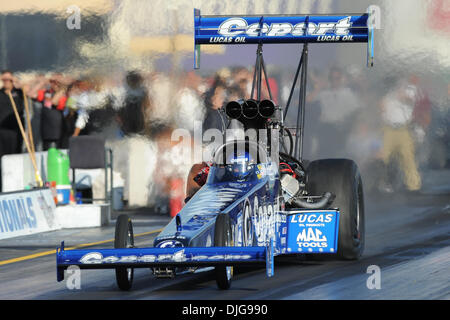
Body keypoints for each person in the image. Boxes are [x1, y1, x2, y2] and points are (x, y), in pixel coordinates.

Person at [379, 77, 422, 192]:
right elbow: (381, 109)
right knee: (384, 157)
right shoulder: (387, 96)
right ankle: (383, 183)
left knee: (408, 158)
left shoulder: (408, 93)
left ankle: (414, 186)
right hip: (388, 129)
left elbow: (411, 100)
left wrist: (402, 95)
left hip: (403, 129)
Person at [306, 66, 361, 158]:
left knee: (338, 156)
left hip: (341, 130)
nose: (334, 81)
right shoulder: (324, 93)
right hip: (325, 129)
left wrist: (352, 127)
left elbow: (357, 113)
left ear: (341, 79)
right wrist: (319, 87)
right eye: (332, 78)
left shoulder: (348, 94)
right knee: (324, 155)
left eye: (337, 78)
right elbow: (308, 100)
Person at [0, 70, 25, 191]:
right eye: (4, 80)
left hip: (16, 132)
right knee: (2, 159)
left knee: (15, 157)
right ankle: (2, 186)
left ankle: (15, 185)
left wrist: (16, 82)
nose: (6, 83)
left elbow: (29, 91)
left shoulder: (19, 93)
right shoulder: (0, 94)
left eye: (8, 80)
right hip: (1, 132)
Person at [31, 74, 68, 150]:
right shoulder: (46, 93)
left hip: (58, 130)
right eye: (52, 82)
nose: (54, 84)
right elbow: (31, 94)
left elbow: (54, 102)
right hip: (46, 130)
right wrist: (42, 82)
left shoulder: (64, 94)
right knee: (46, 151)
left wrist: (61, 87)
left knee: (56, 152)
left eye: (56, 82)